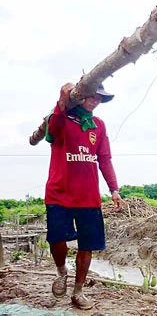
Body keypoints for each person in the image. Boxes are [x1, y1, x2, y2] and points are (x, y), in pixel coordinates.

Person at [44, 82, 123, 310]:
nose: (96, 100)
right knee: (57, 239)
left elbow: (105, 159)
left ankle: (78, 291)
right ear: (80, 95)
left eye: (100, 98)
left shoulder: (98, 125)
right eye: (93, 95)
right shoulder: (61, 117)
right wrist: (61, 100)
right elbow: (53, 131)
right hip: (59, 193)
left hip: (88, 196)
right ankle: (61, 272)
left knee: (86, 245)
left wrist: (114, 189)